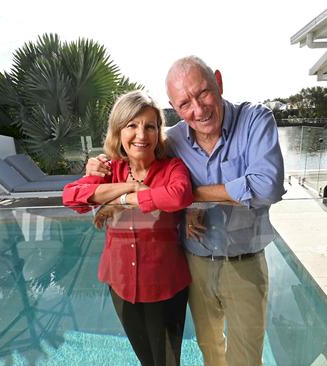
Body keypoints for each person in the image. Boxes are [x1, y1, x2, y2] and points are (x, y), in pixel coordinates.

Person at [86, 56, 286, 365]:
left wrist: (187, 197)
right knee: (209, 348)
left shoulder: (255, 120)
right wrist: (98, 163)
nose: (198, 109)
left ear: (218, 82)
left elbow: (268, 187)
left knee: (246, 357)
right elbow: (139, 163)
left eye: (203, 93)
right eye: (184, 103)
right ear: (173, 107)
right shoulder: (174, 139)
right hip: (196, 262)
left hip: (244, 263)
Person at [62, 90, 194, 366]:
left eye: (150, 126)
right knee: (146, 358)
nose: (141, 135)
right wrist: (129, 188)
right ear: (118, 131)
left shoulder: (172, 167)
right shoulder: (109, 169)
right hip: (121, 283)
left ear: (159, 131)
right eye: (131, 126)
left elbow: (177, 196)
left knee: (167, 361)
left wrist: (117, 199)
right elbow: (72, 198)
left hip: (164, 285)